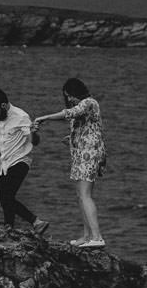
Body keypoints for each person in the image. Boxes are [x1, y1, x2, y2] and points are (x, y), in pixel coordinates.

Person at [34, 78, 105, 247]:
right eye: (67, 96)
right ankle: (87, 236)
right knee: (80, 196)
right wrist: (71, 139)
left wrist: (46, 117)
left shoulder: (89, 102)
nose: (70, 99)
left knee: (86, 195)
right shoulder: (83, 107)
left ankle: (97, 237)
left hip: (89, 154)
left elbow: (70, 113)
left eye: (70, 95)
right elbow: (86, 128)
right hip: (81, 154)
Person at [0, 88, 49, 235]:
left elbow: (35, 142)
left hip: (20, 161)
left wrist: (34, 132)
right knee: (4, 200)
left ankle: (36, 221)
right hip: (5, 163)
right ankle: (9, 228)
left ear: (4, 106)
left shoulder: (21, 117)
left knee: (7, 197)